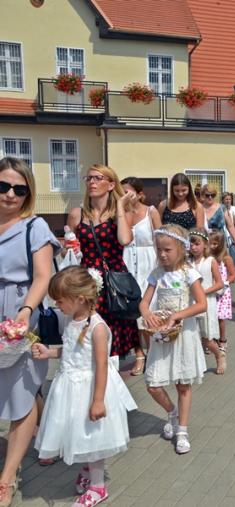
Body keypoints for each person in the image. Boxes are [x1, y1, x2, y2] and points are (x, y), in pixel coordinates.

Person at [32, 266, 137, 506]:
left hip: (89, 389)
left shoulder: (97, 328)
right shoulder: (72, 320)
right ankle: (88, 470)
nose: (57, 305)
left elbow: (101, 365)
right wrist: (49, 352)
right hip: (70, 386)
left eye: (60, 301)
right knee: (78, 433)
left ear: (79, 299)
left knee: (92, 438)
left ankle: (98, 487)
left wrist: (98, 400)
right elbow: (72, 350)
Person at [0, 157, 59, 507]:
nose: (10, 194)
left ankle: (7, 478)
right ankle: (50, 427)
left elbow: (42, 276)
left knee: (20, 394)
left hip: (20, 312)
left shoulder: (35, 226)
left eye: (19, 189)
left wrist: (25, 311)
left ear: (28, 194)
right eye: (3, 186)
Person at [141, 225, 208, 454]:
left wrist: (177, 315)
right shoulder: (157, 274)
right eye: (159, 249)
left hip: (183, 334)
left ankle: (182, 430)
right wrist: (147, 313)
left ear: (181, 248)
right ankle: (172, 412)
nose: (162, 254)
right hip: (162, 334)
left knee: (182, 384)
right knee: (153, 385)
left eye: (167, 250)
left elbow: (202, 304)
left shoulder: (189, 273)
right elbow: (144, 302)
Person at [67, 165, 140, 358]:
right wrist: (71, 249)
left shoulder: (121, 214)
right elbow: (69, 250)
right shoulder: (77, 214)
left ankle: (110, 373)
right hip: (86, 279)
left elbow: (124, 239)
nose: (92, 182)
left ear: (111, 184)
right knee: (87, 328)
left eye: (98, 178)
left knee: (112, 332)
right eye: (89, 178)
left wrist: (120, 206)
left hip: (112, 279)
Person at [120, 177, 161, 376]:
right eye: (121, 192)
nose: (124, 195)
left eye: (128, 192)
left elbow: (161, 240)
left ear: (139, 194)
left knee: (148, 312)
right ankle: (139, 354)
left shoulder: (151, 211)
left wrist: (162, 269)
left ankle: (153, 351)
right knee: (131, 315)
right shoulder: (120, 213)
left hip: (149, 265)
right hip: (127, 264)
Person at [188, 229, 226, 374]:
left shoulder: (210, 261)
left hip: (206, 302)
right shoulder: (187, 262)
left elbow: (219, 284)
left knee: (207, 339)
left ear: (205, 244)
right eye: (191, 244)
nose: (193, 247)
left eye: (197, 244)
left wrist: (202, 292)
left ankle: (219, 355)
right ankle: (196, 366)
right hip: (191, 303)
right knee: (192, 336)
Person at [209, 229, 235, 354]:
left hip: (222, 293)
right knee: (210, 316)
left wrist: (225, 283)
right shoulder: (208, 258)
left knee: (220, 317)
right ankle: (211, 340)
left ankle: (222, 339)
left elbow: (233, 275)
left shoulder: (226, 258)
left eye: (215, 244)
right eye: (210, 243)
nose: (212, 246)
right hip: (210, 290)